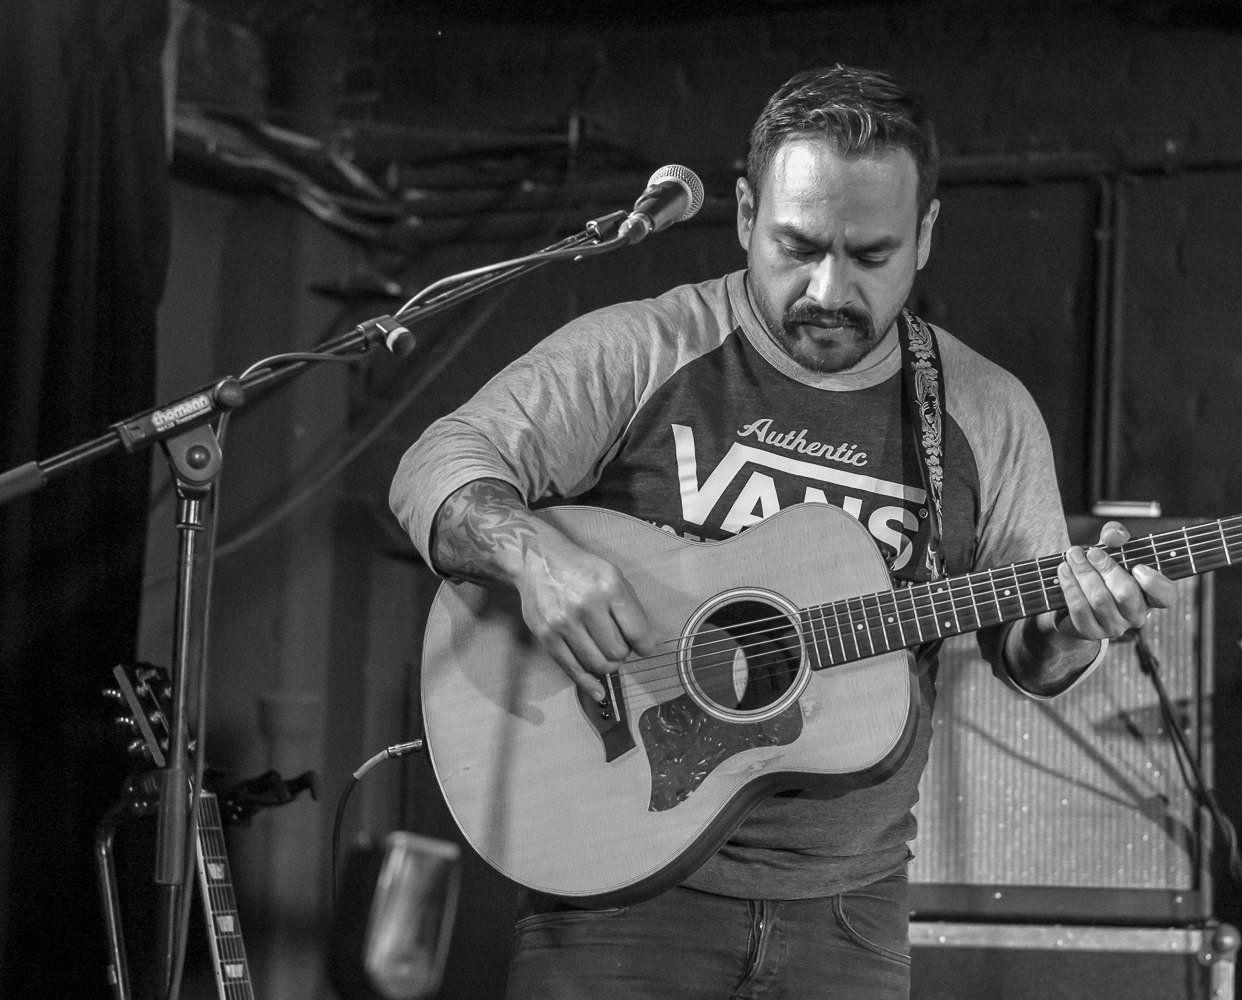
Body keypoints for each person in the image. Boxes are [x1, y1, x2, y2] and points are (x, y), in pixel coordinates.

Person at [390, 65, 1174, 1000]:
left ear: (925, 234)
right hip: (620, 895)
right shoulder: (649, 348)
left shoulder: (984, 412)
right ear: (744, 213)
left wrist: (1076, 628)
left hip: (848, 912)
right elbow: (433, 469)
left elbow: (1028, 657)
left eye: (871, 255)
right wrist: (538, 561)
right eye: (797, 246)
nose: (828, 289)